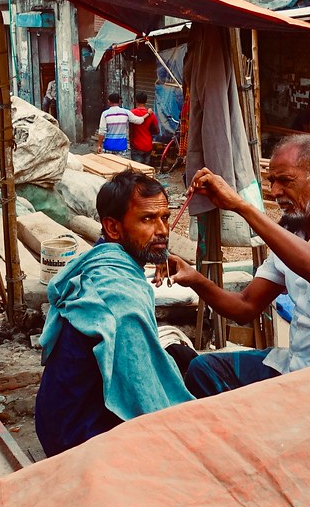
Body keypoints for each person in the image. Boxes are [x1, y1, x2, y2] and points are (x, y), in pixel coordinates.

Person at [167, 135, 310, 398]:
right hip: (299, 369)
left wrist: (242, 207)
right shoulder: (291, 231)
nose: (275, 191)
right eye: (272, 181)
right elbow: (245, 306)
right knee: (202, 369)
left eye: (285, 181)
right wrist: (195, 279)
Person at [35, 169, 194, 457]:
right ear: (113, 227)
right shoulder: (120, 301)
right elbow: (146, 397)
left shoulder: (100, 259)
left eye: (165, 218)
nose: (162, 231)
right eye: (147, 219)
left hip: (57, 422)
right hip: (77, 441)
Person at [96, 92, 146, 156]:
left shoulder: (105, 114)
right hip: (121, 147)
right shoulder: (126, 112)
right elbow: (139, 121)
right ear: (119, 102)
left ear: (109, 101)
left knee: (108, 165)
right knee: (121, 165)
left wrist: (99, 145)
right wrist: (148, 114)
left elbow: (102, 131)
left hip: (109, 146)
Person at [129, 91, 160, 165]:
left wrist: (131, 143)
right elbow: (157, 130)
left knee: (137, 169)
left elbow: (131, 130)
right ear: (146, 101)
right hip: (148, 145)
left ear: (135, 100)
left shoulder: (132, 113)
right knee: (146, 169)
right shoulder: (151, 115)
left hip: (136, 145)